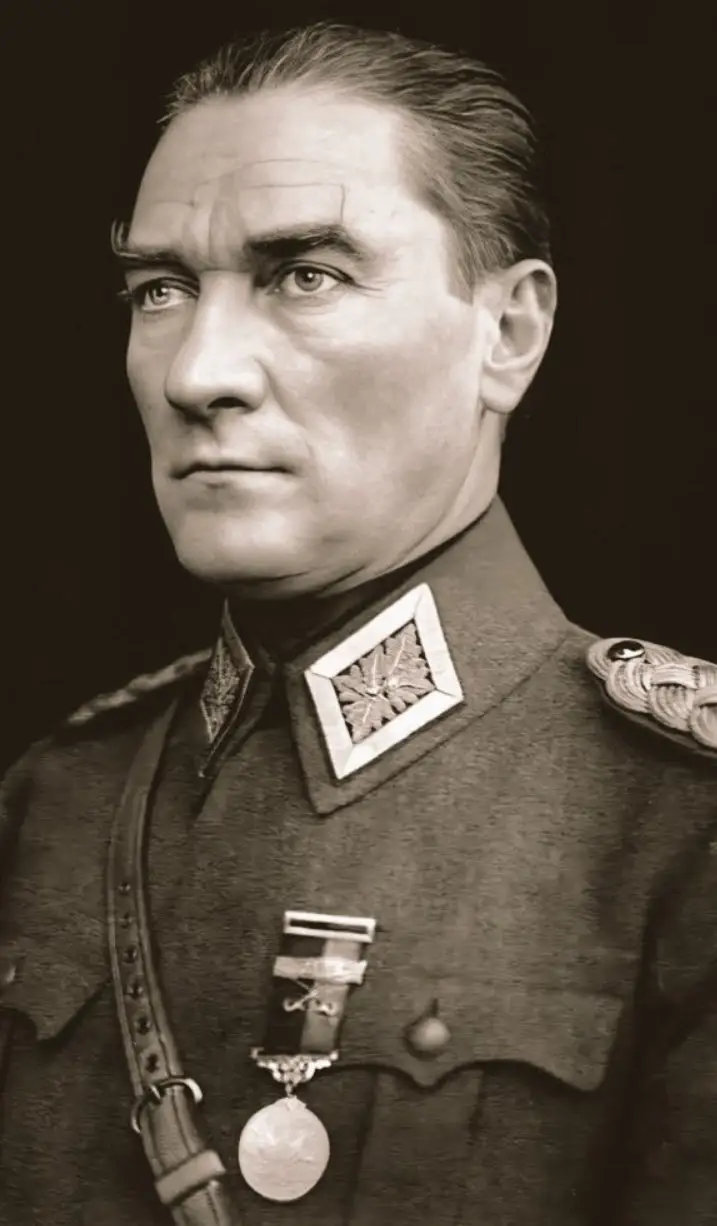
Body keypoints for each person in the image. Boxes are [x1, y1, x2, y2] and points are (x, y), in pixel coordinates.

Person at [1, 21, 715, 1226]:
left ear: (509, 333)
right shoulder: (57, 799)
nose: (195, 373)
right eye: (160, 289)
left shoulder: (675, 826)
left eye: (306, 275)